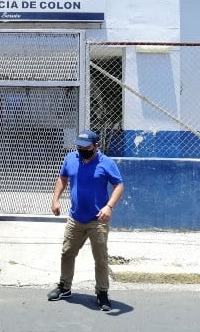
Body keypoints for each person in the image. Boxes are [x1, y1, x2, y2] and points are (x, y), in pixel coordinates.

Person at [47, 129, 124, 311]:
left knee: (100, 259)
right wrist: (55, 199)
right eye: (79, 146)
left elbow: (119, 185)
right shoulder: (71, 159)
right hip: (75, 218)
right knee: (67, 253)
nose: (81, 149)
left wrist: (109, 206)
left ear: (96, 146)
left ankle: (102, 293)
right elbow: (62, 178)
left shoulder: (106, 163)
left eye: (86, 147)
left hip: (97, 220)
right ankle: (65, 287)